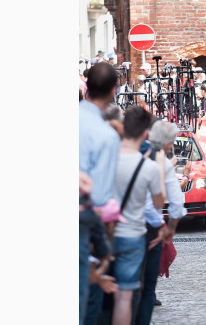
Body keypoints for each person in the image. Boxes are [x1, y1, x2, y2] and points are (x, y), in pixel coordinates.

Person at [110, 108, 167, 325]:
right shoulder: (150, 166)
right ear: (146, 133)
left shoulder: (109, 157)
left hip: (107, 232)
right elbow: (159, 203)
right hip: (132, 234)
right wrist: (160, 166)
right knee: (125, 296)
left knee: (106, 296)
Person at [79, 62, 122, 325]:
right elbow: (101, 198)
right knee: (86, 307)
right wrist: (103, 247)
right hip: (84, 225)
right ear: (114, 90)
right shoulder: (106, 136)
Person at [134, 120, 188, 325]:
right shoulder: (160, 161)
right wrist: (171, 229)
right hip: (150, 226)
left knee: (125, 284)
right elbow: (175, 201)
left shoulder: (119, 154)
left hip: (122, 226)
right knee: (148, 288)